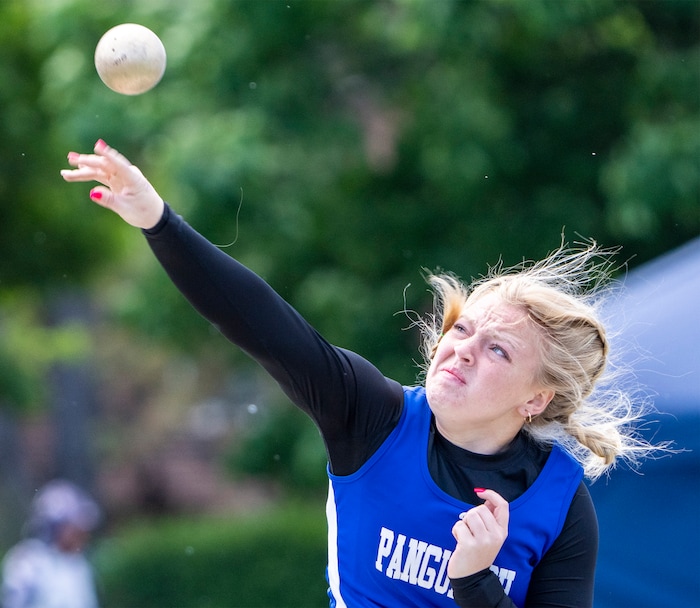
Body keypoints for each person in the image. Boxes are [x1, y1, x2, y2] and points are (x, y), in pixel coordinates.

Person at [60, 140, 657, 607]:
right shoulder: (374, 416)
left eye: (499, 350)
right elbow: (261, 323)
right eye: (462, 329)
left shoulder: (560, 502)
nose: (464, 350)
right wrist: (158, 220)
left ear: (536, 398)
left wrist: (475, 581)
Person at [1, 480, 101, 608]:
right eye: (73, 528)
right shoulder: (28, 562)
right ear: (54, 525)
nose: (82, 534)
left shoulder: (80, 564)